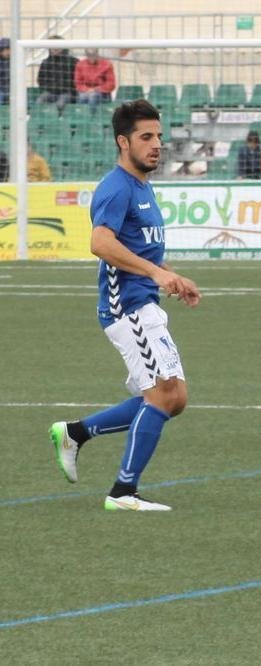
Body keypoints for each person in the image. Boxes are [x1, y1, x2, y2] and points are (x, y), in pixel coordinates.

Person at [48, 99, 201, 511]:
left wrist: (171, 274)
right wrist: (155, 275)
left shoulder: (142, 186)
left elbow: (141, 248)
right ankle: (123, 492)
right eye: (146, 137)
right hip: (127, 308)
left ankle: (77, 432)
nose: (156, 145)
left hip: (145, 302)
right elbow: (100, 242)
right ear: (122, 142)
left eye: (159, 137)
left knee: (175, 397)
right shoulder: (115, 187)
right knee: (164, 394)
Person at [36, 36, 78, 113]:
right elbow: (40, 80)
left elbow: (77, 80)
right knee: (39, 101)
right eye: (52, 46)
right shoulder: (45, 62)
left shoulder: (73, 62)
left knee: (60, 103)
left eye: (57, 46)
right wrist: (51, 88)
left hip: (67, 93)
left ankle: (59, 122)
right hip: (50, 92)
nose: (55, 48)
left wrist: (66, 88)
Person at [0, 38, 10, 105]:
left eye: (8, 49)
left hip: (10, 89)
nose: (7, 52)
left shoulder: (14, 61)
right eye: (4, 49)